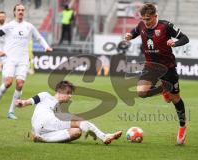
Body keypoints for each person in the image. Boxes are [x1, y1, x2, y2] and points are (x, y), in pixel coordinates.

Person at [124, 3, 189, 145]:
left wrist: (175, 43)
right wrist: (129, 35)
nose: (146, 22)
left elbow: (185, 38)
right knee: (141, 92)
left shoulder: (166, 26)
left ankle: (182, 126)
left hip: (168, 68)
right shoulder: (141, 25)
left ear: (155, 16)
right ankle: (163, 90)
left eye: (148, 19)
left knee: (176, 99)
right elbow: (135, 32)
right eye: (143, 19)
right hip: (151, 67)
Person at [15, 80, 122, 144]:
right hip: (45, 121)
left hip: (41, 130)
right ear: (60, 91)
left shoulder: (58, 110)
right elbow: (30, 101)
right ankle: (104, 136)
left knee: (76, 132)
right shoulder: (45, 95)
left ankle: (42, 139)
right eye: (68, 93)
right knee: (79, 121)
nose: (70, 96)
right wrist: (22, 103)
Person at [0, 4, 53, 119]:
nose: (21, 12)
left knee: (20, 84)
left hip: (23, 60)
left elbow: (39, 37)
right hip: (10, 59)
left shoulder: (29, 26)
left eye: (22, 10)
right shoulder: (8, 26)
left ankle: (11, 112)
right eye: (18, 10)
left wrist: (46, 47)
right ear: (14, 12)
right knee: (8, 83)